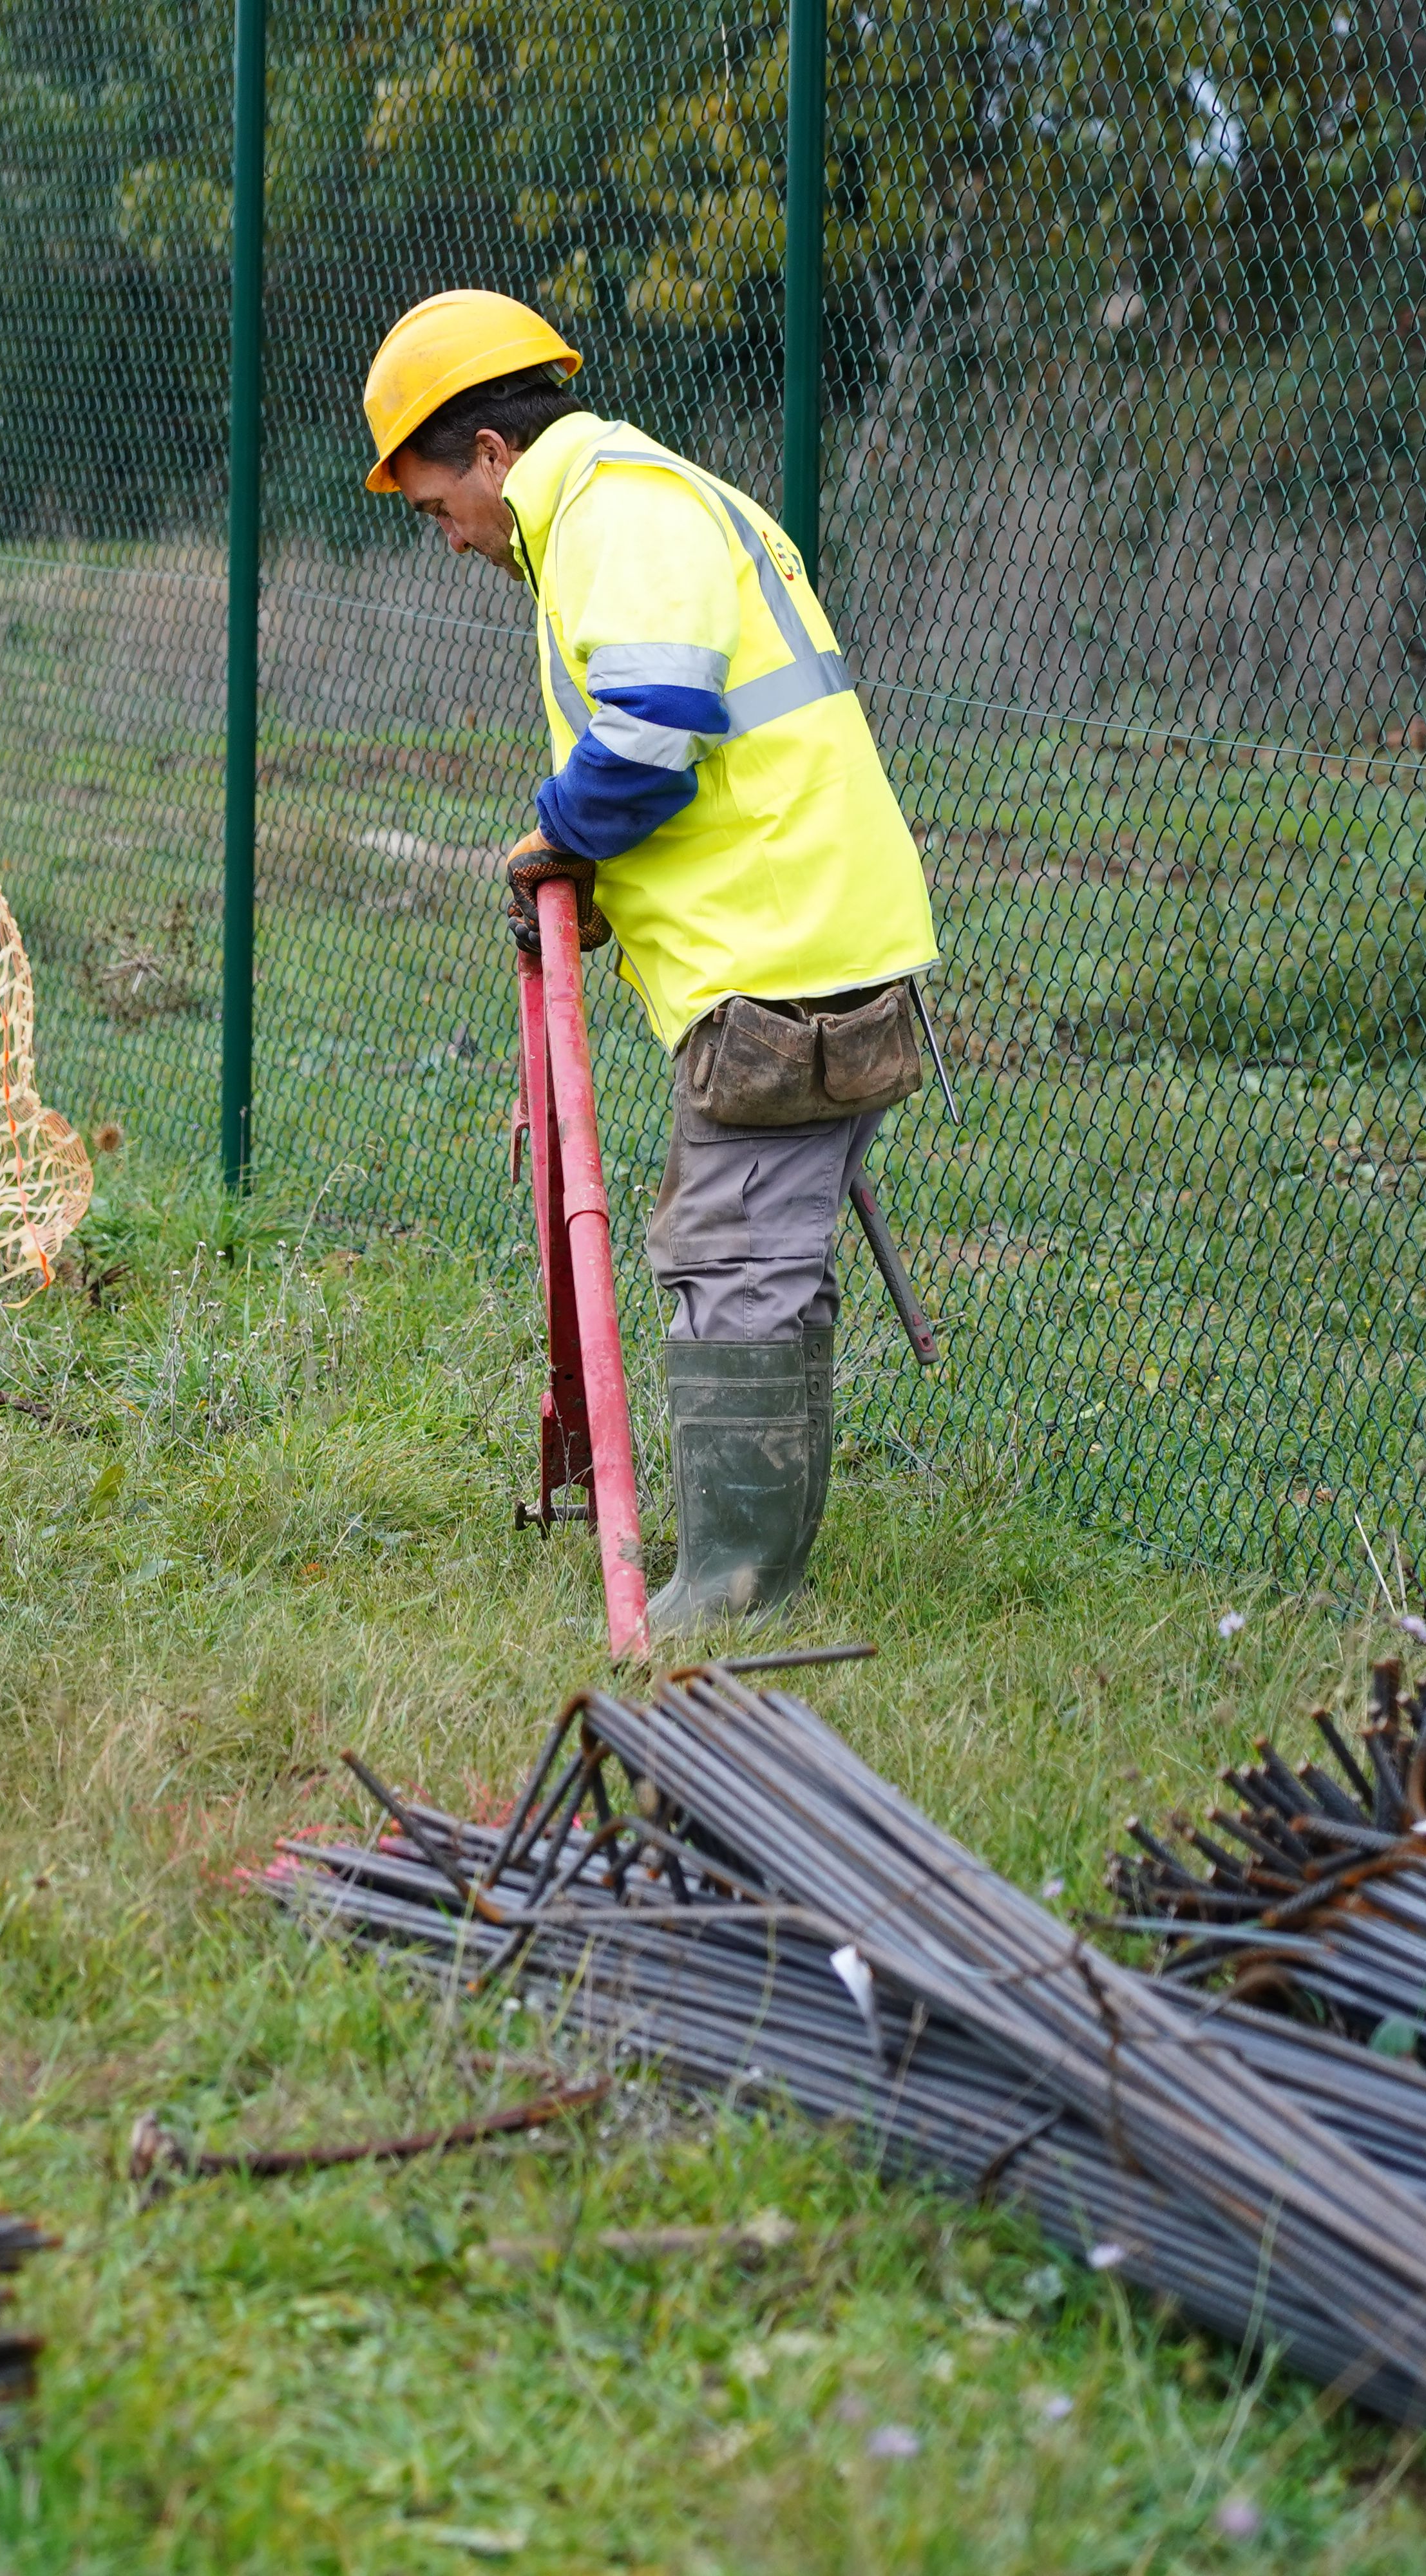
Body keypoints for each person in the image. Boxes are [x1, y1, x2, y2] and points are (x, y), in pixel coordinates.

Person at [359, 289, 938, 1634]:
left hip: (778, 951)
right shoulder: (630, 503)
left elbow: (652, 730)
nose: (447, 536)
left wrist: (561, 840)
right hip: (808, 931)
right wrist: (595, 869)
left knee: (733, 1253)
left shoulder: (615, 515)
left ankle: (732, 1586)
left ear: (495, 454)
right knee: (767, 1253)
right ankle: (763, 1564)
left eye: (437, 501)